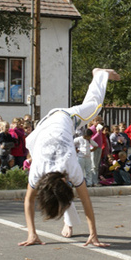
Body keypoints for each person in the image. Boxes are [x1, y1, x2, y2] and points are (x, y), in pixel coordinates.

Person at [18, 68, 119, 247]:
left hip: (61, 120)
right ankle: (69, 223)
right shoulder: (47, 170)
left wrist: (94, 234)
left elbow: (84, 201)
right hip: (42, 131)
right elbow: (29, 200)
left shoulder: (67, 166)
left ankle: (99, 74)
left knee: (95, 107)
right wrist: (31, 234)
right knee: (58, 194)